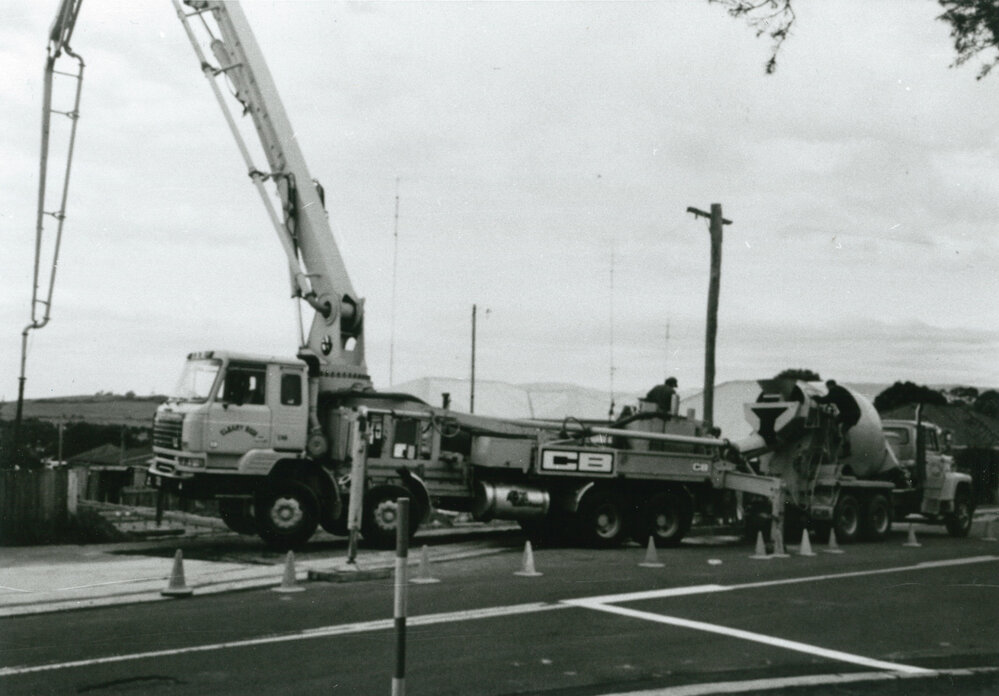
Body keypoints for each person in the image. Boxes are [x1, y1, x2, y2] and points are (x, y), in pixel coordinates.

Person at [814, 379, 861, 456]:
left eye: (827, 387)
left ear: (830, 386)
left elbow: (825, 400)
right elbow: (832, 399)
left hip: (848, 413)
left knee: (835, 421)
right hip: (855, 412)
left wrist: (816, 398)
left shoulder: (834, 390)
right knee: (844, 430)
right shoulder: (840, 389)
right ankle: (846, 449)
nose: (828, 389)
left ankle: (836, 437)